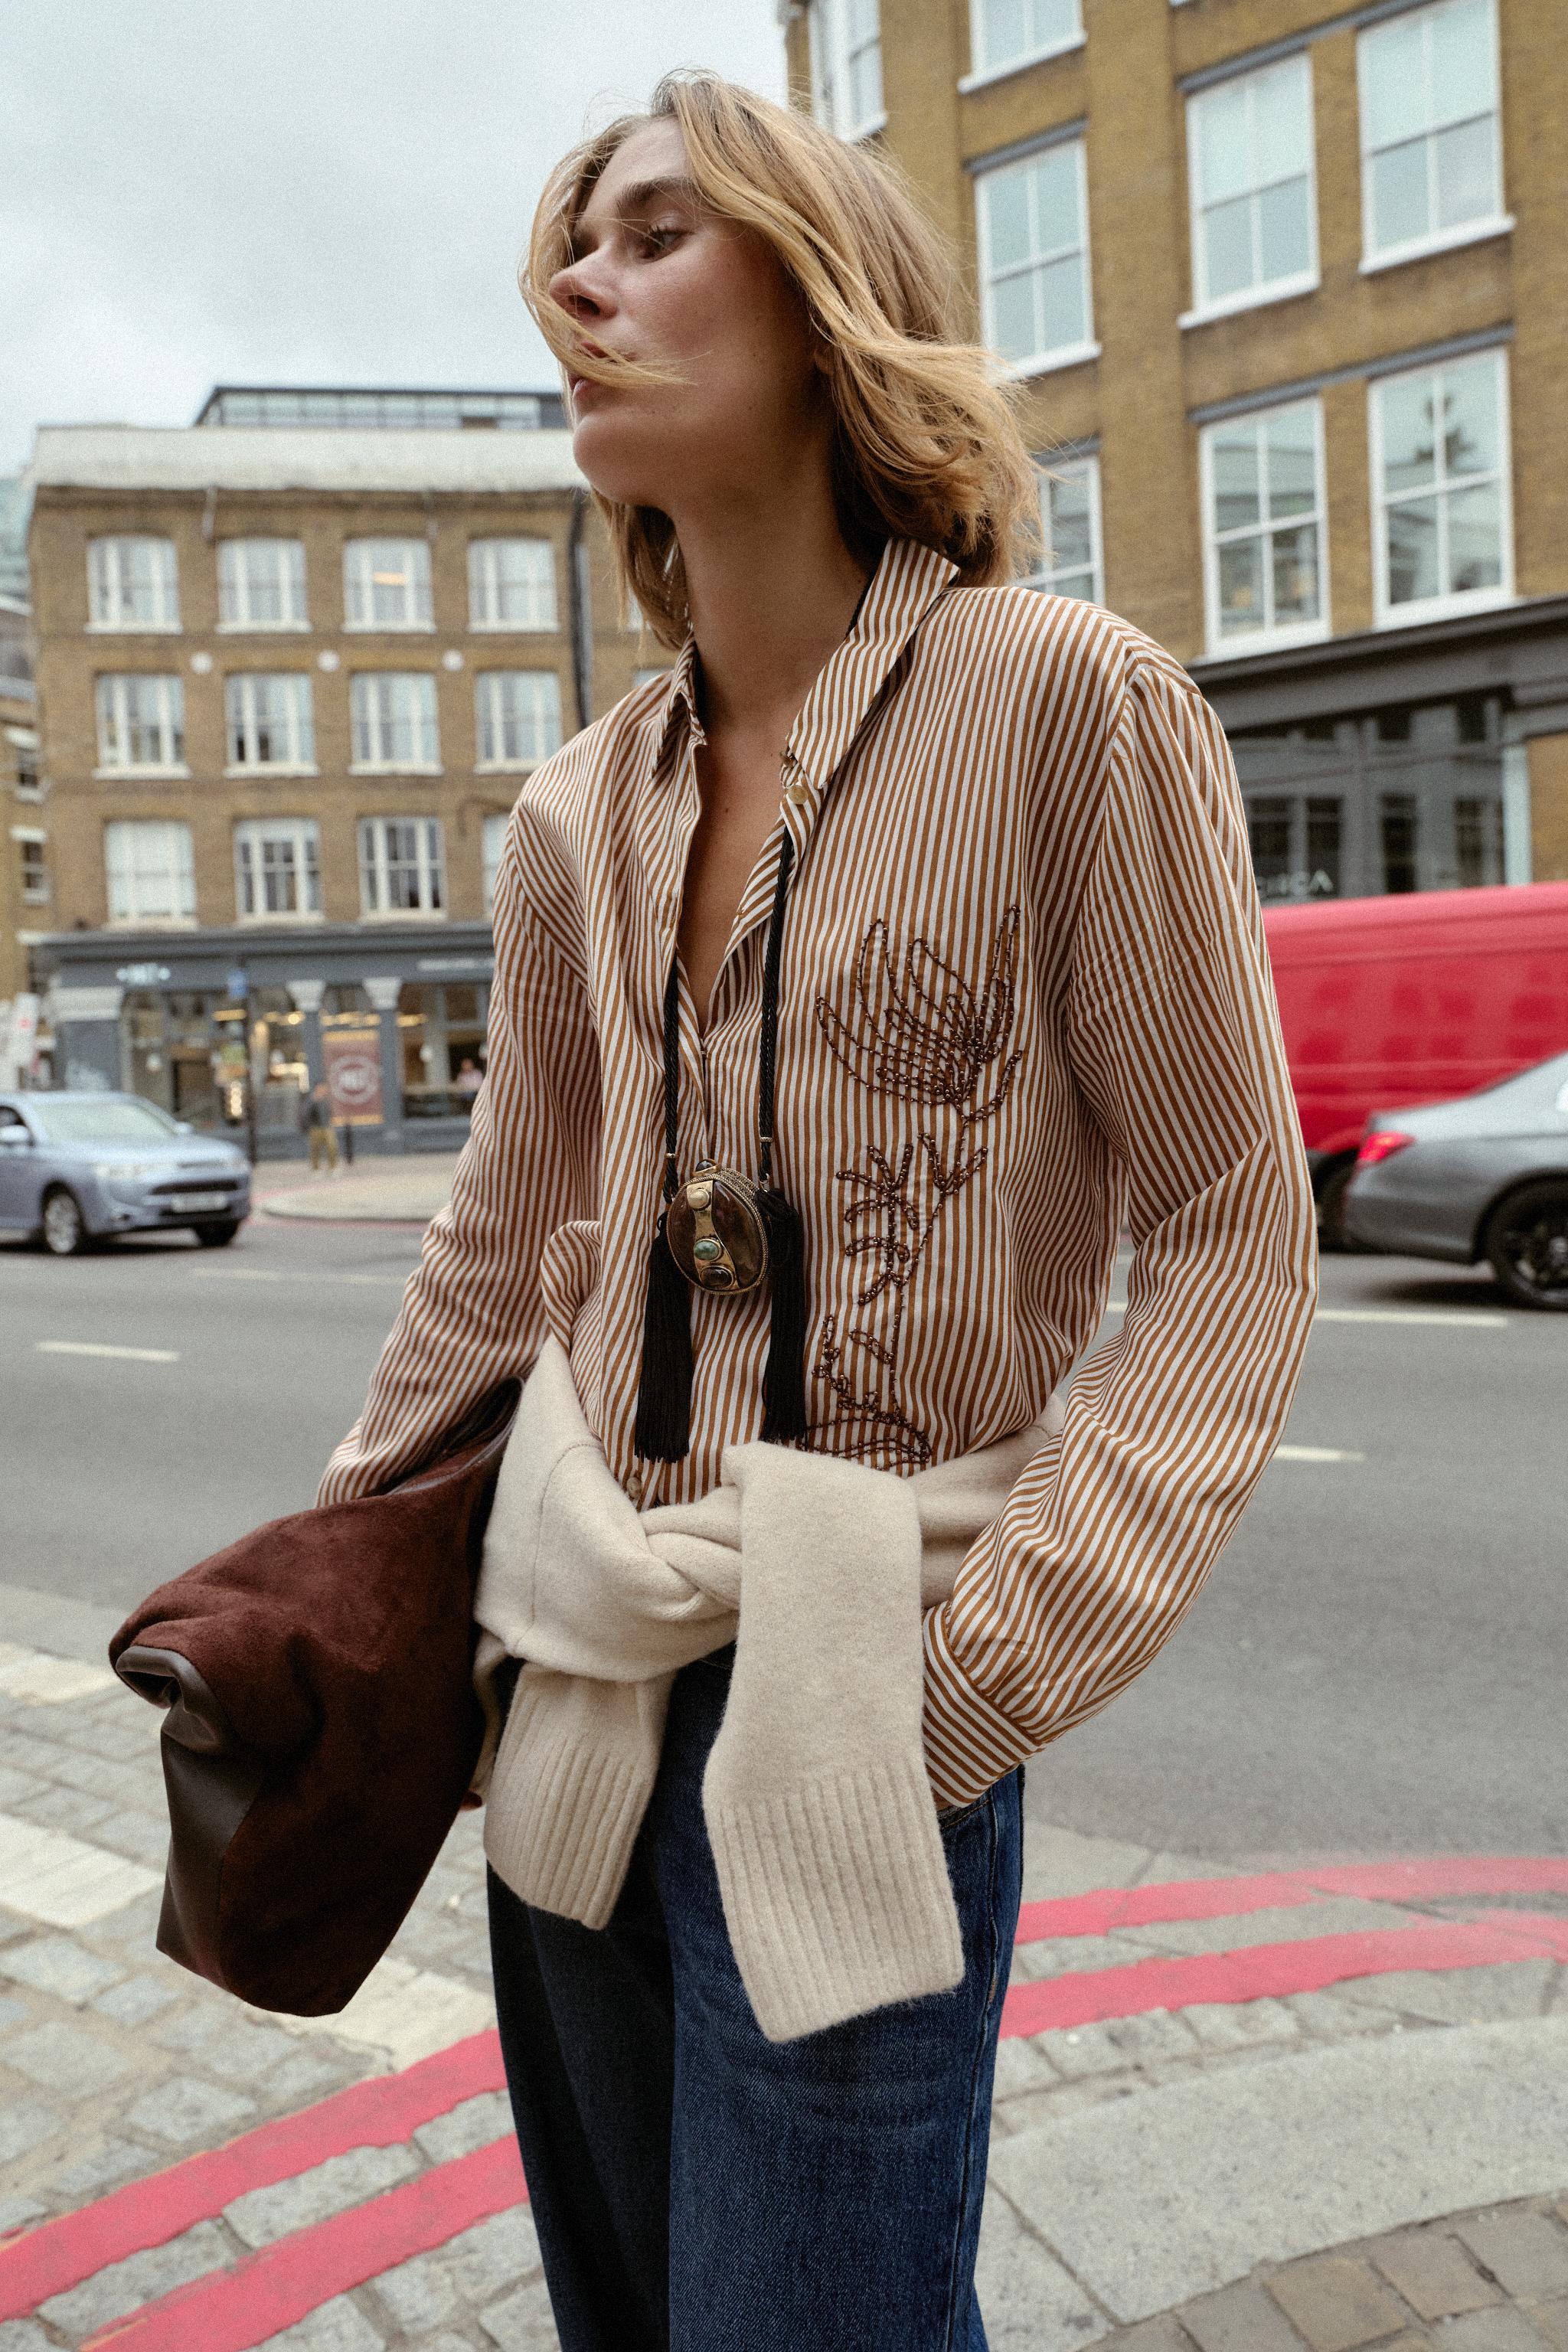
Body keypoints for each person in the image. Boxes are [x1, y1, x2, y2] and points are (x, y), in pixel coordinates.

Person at [320, 73, 1316, 2352]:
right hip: (567, 1683)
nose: (578, 287)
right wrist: (362, 1570)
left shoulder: (1071, 705)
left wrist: (963, 1684)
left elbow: (1229, 1239)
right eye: (568, 250)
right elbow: (501, 1240)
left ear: (827, 295)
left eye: (654, 233)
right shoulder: (572, 814)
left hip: (860, 1691)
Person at [299, 1078, 338, 1175]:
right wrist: (308, 1126)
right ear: (317, 1088)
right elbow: (305, 1114)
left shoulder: (325, 1100)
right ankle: (316, 1168)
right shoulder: (312, 1100)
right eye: (322, 1087)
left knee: (332, 1146)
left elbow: (329, 1113)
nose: (324, 1090)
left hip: (327, 1127)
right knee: (315, 1149)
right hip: (315, 1127)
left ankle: (333, 1167)